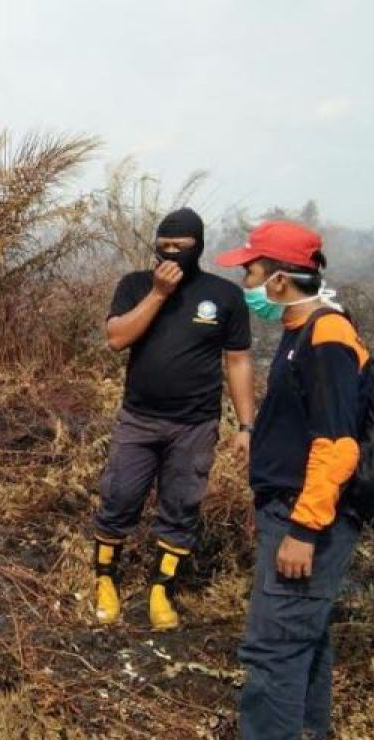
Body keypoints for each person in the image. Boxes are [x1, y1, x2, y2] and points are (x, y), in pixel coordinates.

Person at [215, 220, 368, 740]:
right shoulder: (303, 328)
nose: (245, 281)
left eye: (250, 271)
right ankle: (307, 732)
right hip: (293, 509)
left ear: (278, 279)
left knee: (274, 645)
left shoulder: (325, 338)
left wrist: (303, 527)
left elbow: (337, 443)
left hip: (309, 518)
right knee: (307, 629)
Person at [93, 208, 255, 630]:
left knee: (181, 506)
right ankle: (105, 580)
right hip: (139, 419)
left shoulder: (224, 297)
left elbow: (237, 361)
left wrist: (246, 426)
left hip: (194, 425)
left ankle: (161, 590)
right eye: (164, 247)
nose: (172, 254)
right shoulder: (134, 286)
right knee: (119, 498)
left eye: (182, 249)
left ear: (198, 247)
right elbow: (116, 338)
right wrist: (159, 294)